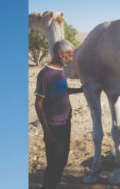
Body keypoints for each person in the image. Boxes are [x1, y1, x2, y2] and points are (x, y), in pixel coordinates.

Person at [34, 39, 83, 189]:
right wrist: (47, 131)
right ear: (60, 54)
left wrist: (80, 90)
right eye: (69, 55)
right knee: (54, 163)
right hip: (54, 127)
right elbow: (38, 104)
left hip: (65, 123)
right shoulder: (45, 75)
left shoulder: (61, 70)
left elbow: (63, 91)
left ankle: (54, 183)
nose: (71, 59)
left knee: (63, 159)